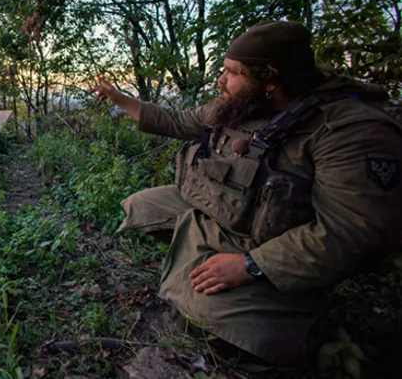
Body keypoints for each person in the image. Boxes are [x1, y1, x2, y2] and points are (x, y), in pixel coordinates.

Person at [90, 21, 402, 363]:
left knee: (213, 316)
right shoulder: (242, 105)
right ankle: (203, 256)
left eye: (232, 72)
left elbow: (350, 232)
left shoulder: (347, 131)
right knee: (142, 206)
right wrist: (119, 98)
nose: (221, 80)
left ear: (270, 78)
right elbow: (176, 121)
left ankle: (286, 310)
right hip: (229, 212)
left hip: (276, 242)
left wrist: (251, 265)